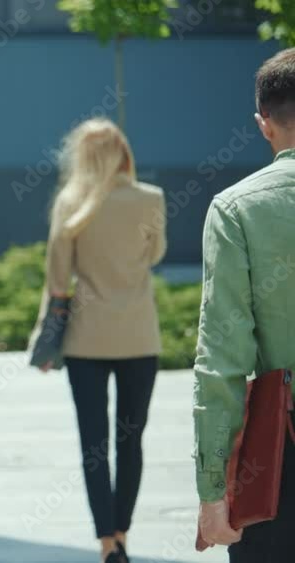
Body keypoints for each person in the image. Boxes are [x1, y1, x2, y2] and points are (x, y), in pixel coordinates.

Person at [29, 118, 167, 563]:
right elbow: (156, 254)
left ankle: (106, 543)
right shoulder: (151, 198)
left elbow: (57, 279)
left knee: (94, 446)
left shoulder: (70, 203)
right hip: (139, 337)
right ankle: (123, 534)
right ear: (124, 153)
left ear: (83, 158)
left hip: (85, 341)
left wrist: (43, 335)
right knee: (132, 441)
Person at [194, 47, 295, 562]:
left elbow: (222, 361)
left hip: (280, 463)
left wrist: (213, 490)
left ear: (263, 124)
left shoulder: (237, 210)